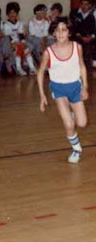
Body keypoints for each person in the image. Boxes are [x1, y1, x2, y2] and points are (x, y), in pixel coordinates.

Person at [37, 17, 88, 164]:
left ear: (69, 32)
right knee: (69, 124)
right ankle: (76, 149)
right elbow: (40, 73)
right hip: (58, 89)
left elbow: (82, 66)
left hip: (75, 87)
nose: (60, 33)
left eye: (64, 30)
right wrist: (42, 95)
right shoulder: (48, 52)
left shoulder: (77, 47)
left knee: (82, 123)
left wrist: (85, 86)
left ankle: (71, 114)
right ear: (53, 33)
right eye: (57, 30)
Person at [1, 2, 36, 76]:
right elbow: (8, 36)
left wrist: (23, 42)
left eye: (14, 13)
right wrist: (15, 43)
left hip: (19, 42)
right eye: (10, 13)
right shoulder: (6, 24)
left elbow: (21, 34)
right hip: (11, 43)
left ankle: (32, 68)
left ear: (17, 14)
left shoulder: (20, 23)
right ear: (7, 14)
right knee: (19, 47)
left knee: (26, 47)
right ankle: (18, 67)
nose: (12, 15)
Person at [69, 0, 96, 67]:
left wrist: (91, 37)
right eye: (82, 4)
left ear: (90, 5)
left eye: (86, 4)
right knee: (77, 41)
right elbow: (74, 27)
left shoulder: (93, 14)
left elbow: (94, 28)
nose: (84, 6)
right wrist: (81, 37)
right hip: (77, 35)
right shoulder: (74, 13)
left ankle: (93, 62)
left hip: (90, 36)